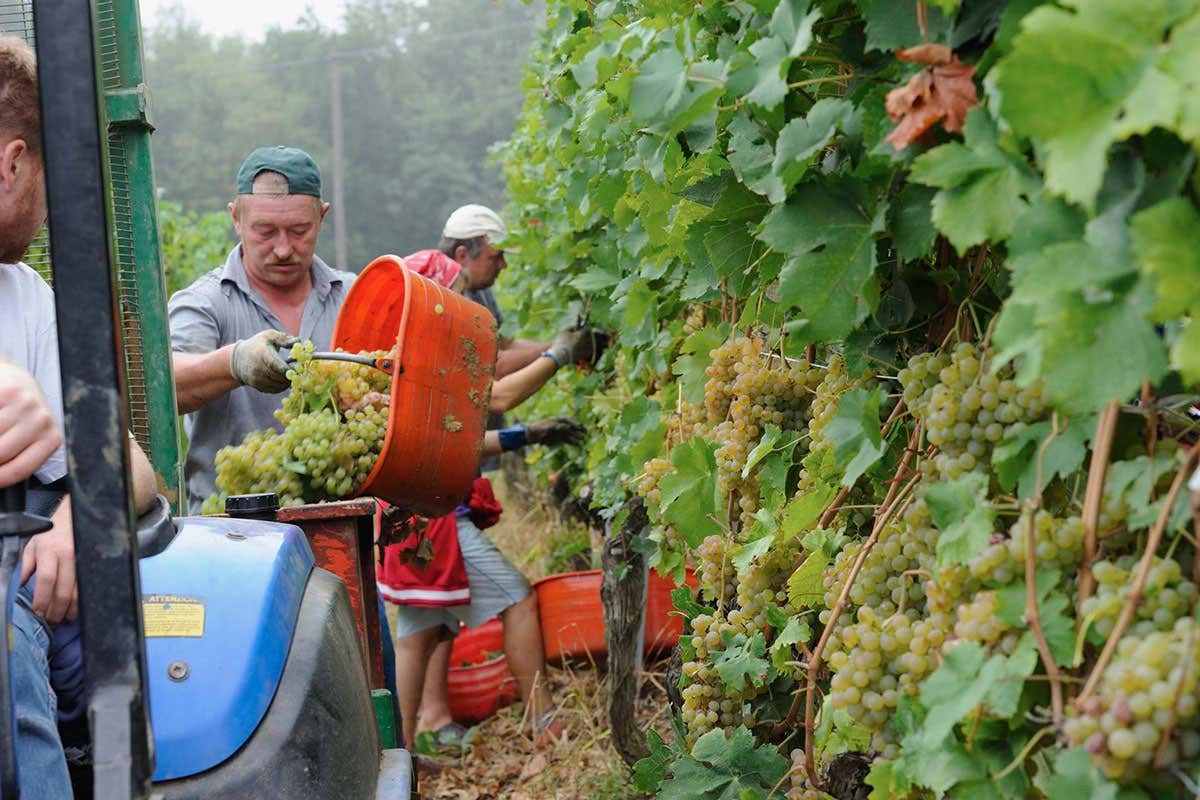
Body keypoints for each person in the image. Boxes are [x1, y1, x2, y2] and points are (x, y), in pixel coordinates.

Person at [0, 35, 156, 799]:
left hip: (26, 582)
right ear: (14, 163)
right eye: (53, 181)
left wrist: (73, 518)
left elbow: (137, 467)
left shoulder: (27, 297)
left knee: (145, 648)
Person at [384, 251, 595, 750]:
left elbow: (455, 439)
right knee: (518, 598)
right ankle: (545, 726)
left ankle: (401, 755)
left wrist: (529, 435)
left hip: (406, 516)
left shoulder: (403, 356)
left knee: (418, 632)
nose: (461, 305)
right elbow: (494, 400)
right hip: (430, 519)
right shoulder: (429, 355)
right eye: (452, 294)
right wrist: (558, 355)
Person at [168, 145, 353, 513]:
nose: (283, 249)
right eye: (265, 231)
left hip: (341, 520)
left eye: (299, 230)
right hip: (233, 531)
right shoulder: (206, 303)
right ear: (236, 219)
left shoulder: (355, 297)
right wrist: (234, 363)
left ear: (322, 217)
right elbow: (161, 385)